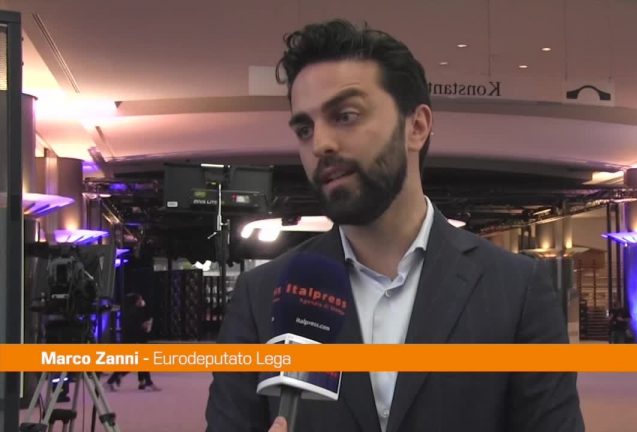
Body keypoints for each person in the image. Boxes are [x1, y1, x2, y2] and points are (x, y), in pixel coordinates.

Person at [206, 19, 583, 432]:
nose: (320, 144)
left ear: (416, 127)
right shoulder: (262, 296)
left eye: (345, 115)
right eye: (304, 128)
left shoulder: (516, 289)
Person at [106, 293, 160, 391]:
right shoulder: (133, 312)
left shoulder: (133, 311)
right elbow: (134, 327)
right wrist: (142, 326)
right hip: (133, 341)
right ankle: (111, 381)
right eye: (140, 299)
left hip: (134, 340)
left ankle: (144, 381)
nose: (142, 301)